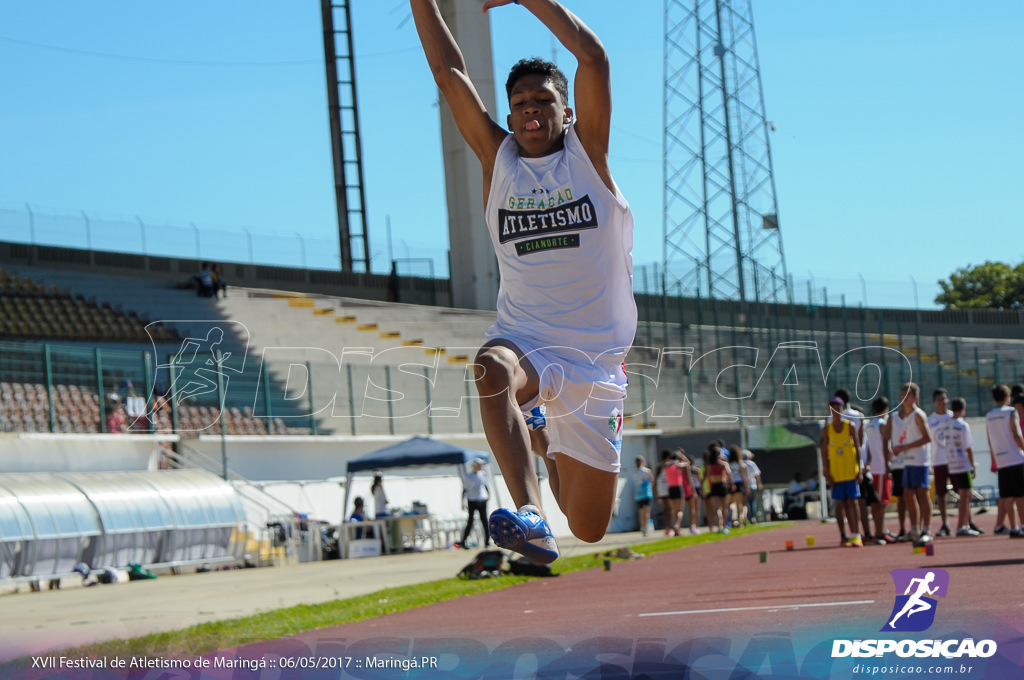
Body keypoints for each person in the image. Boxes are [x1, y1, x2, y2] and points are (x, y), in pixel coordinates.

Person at [412, 0, 637, 564]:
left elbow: (593, 56)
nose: (531, 111)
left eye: (544, 100)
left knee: (588, 528)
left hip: (595, 361)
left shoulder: (590, 156)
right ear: (509, 118)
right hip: (527, 341)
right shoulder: (499, 159)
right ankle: (530, 514)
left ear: (567, 111)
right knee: (489, 367)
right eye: (520, 104)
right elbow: (448, 72)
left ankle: (544, 437)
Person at [884, 382, 933, 546]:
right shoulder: (899, 417)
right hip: (906, 461)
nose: (904, 398)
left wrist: (905, 447)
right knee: (907, 495)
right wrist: (895, 449)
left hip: (920, 460)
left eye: (908, 395)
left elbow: (927, 438)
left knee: (922, 493)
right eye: (902, 395)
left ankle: (926, 529)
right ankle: (914, 529)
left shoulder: (918, 415)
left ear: (915, 398)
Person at [821, 396, 863, 547]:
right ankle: (843, 535)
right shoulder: (827, 430)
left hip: (851, 471)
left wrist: (860, 470)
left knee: (853, 502)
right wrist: (826, 470)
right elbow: (824, 451)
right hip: (836, 473)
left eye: (838, 408)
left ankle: (856, 534)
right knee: (840, 504)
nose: (836, 411)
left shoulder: (849, 426)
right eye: (833, 409)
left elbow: (857, 448)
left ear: (843, 409)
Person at [985, 384, 1024, 538]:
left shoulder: (989, 416)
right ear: (1008, 398)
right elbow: (1016, 434)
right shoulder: (1011, 412)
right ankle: (1022, 525)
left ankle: (1013, 527)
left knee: (1007, 496)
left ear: (994, 398)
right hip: (1015, 457)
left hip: (1001, 459)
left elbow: (990, 440)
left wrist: (994, 459)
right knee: (1021, 496)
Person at [942, 398, 980, 536]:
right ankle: (961, 525)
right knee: (966, 494)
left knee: (964, 494)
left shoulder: (946, 425)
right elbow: (968, 448)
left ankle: (963, 524)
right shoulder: (963, 425)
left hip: (952, 463)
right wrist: (972, 466)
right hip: (963, 464)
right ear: (963, 410)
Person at [861, 396, 893, 543]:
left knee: (876, 502)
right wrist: (888, 464)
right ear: (886, 410)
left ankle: (881, 529)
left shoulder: (867, 425)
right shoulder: (882, 424)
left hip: (871, 468)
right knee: (882, 502)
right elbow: (887, 446)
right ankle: (880, 531)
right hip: (881, 467)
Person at [927, 388, 953, 536]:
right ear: (934, 402)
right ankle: (945, 523)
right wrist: (930, 463)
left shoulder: (953, 417)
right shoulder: (931, 420)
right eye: (938, 399)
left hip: (955, 460)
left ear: (947, 400)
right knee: (941, 493)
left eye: (943, 399)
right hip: (939, 461)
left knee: (963, 491)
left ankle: (966, 521)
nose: (941, 402)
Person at [461, 459, 491, 548]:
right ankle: (464, 541)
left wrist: (489, 494)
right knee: (470, 521)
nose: (480, 467)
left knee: (485, 521)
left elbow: (485, 485)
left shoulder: (482, 475)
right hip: (472, 500)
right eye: (479, 465)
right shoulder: (469, 476)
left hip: (482, 500)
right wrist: (462, 502)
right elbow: (464, 489)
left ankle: (487, 541)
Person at [631, 455, 654, 536]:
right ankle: (645, 529)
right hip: (644, 494)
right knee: (645, 512)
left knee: (643, 512)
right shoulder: (646, 471)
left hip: (642, 494)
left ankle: (645, 528)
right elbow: (651, 481)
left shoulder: (637, 472)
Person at [663, 450, 685, 535]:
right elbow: (687, 463)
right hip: (678, 488)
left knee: (674, 510)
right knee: (680, 510)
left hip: (671, 488)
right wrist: (681, 456)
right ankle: (677, 524)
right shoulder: (678, 465)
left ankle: (677, 530)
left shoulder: (667, 465)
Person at [741, 450, 763, 524]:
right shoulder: (752, 464)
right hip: (752, 485)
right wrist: (759, 483)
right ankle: (753, 517)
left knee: (746, 503)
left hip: (744, 486)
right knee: (752, 502)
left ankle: (748, 517)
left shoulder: (741, 464)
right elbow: (757, 474)